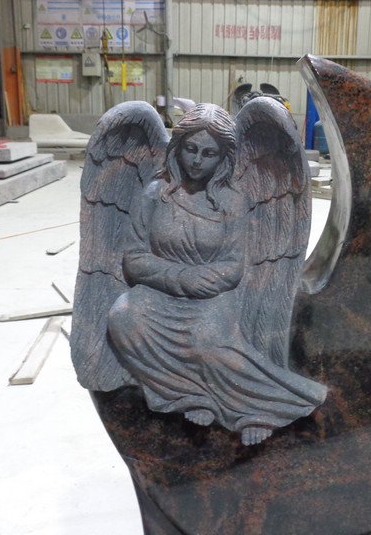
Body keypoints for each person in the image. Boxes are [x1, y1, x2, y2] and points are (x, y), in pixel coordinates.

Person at [106, 103, 327, 445]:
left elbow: (234, 266)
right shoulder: (155, 194)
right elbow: (134, 258)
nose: (197, 160)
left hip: (213, 296)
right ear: (177, 147)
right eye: (191, 149)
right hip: (158, 292)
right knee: (123, 317)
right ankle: (187, 395)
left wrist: (202, 282)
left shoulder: (231, 202)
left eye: (209, 153)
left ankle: (255, 408)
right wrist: (181, 278)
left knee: (208, 340)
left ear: (223, 157)